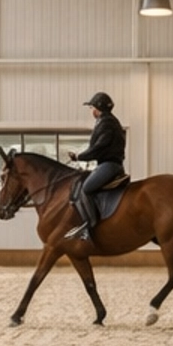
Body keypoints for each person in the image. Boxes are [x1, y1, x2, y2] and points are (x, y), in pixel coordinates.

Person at [66, 92, 127, 241]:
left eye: (92, 107)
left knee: (86, 188)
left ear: (98, 108)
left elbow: (99, 147)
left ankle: (90, 226)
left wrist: (79, 157)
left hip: (109, 165)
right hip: (106, 164)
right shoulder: (107, 121)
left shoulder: (107, 123)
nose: (91, 110)